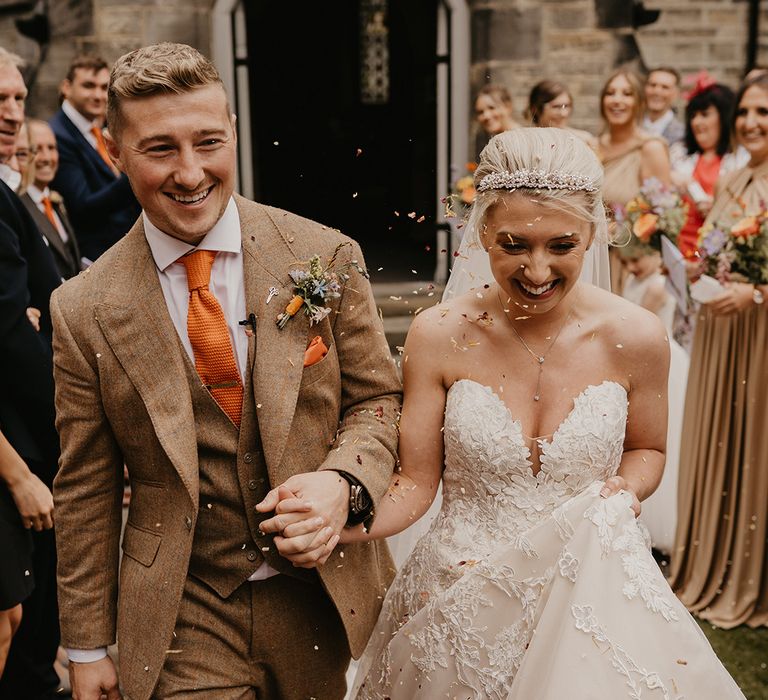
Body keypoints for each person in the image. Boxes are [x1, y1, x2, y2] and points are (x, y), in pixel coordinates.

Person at [316, 128, 741, 699]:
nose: (537, 271)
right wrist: (338, 521)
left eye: (561, 246)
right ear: (482, 232)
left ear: (592, 235)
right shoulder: (438, 334)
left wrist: (625, 490)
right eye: (514, 244)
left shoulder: (636, 336)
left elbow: (648, 449)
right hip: (456, 597)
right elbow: (415, 483)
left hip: (586, 589)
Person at [51, 43, 401, 700]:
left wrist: (342, 484)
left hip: (321, 599)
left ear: (233, 133)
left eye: (208, 142)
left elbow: (379, 399)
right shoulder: (83, 309)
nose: (190, 173)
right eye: (160, 149)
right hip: (184, 613)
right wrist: (86, 646)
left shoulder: (324, 254)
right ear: (112, 150)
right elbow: (85, 489)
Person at [670, 73, 768, 629]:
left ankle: (750, 572)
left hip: (757, 335)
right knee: (719, 437)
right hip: (720, 329)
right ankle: (715, 561)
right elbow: (713, 245)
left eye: (764, 112)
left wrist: (756, 291)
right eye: (748, 112)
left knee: (753, 443)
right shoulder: (735, 178)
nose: (752, 122)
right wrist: (696, 267)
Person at [0, 47, 63, 700]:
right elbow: (11, 339)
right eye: (0, 100)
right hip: (19, 434)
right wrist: (75, 423)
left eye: (19, 98)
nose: (13, 114)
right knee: (17, 618)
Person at [619, 239, 688, 555]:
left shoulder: (659, 286)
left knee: (662, 433)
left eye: (637, 261)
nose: (631, 268)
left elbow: (635, 321)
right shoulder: (634, 279)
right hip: (635, 352)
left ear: (654, 255)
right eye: (627, 262)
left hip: (659, 356)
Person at [49, 54, 140, 262]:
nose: (98, 95)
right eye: (89, 86)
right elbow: (82, 207)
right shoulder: (58, 136)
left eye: (103, 87)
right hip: (95, 255)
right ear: (66, 87)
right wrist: (134, 172)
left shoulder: (99, 126)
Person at [595, 69, 671, 293]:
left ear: (639, 102)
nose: (617, 100)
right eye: (610, 93)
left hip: (629, 263)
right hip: (591, 257)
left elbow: (663, 213)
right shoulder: (592, 147)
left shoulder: (651, 148)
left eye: (627, 94)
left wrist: (619, 229)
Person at [672, 77, 747, 258]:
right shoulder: (677, 154)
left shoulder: (742, 158)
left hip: (719, 254)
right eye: (693, 115)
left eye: (705, 114)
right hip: (679, 249)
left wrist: (717, 205)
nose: (697, 122)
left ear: (724, 117)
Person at [19, 119, 81, 279]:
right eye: (37, 149)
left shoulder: (56, 201)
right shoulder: (17, 206)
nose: (46, 157)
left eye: (52, 148)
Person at [525, 79, 592, 141]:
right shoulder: (525, 140)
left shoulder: (582, 140)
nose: (563, 114)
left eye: (566, 106)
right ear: (535, 109)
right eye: (556, 107)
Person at [643, 67, 685, 154]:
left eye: (665, 87)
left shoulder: (683, 135)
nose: (657, 91)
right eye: (652, 85)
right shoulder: (629, 127)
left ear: (676, 94)